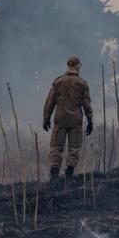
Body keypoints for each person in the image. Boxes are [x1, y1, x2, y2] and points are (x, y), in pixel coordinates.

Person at [43, 56, 93, 186]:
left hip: (60, 120)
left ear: (68, 66)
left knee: (56, 147)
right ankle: (69, 175)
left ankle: (54, 176)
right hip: (75, 121)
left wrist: (46, 117)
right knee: (74, 148)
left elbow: (50, 101)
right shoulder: (82, 83)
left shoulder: (58, 82)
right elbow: (87, 104)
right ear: (78, 66)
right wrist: (90, 119)